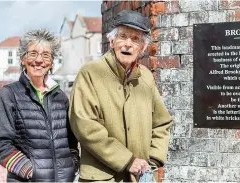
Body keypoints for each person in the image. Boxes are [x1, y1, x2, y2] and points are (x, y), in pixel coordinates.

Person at [69, 10, 173, 182]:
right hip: (102, 178)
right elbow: (84, 124)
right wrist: (126, 160)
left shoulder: (146, 77)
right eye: (122, 37)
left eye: (135, 39)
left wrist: (152, 159)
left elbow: (162, 123)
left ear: (143, 47)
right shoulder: (90, 73)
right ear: (112, 41)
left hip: (139, 177)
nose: (128, 44)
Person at [0, 29, 79, 182]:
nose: (39, 60)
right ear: (23, 59)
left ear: (51, 62)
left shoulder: (61, 97)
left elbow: (71, 142)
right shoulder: (8, 95)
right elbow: (0, 144)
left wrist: (72, 165)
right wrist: (30, 171)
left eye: (46, 55)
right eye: (32, 53)